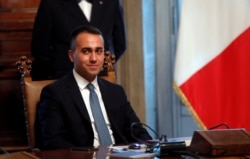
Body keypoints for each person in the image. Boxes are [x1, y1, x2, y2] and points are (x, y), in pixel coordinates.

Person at [37, 25, 152, 150]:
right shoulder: (55, 93)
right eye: (86, 51)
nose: (93, 58)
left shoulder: (116, 92)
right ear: (71, 55)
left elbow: (139, 133)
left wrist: (144, 149)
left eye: (99, 51)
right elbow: (55, 143)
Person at [31, 0, 126, 80]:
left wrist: (99, 65)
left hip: (103, 78)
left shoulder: (112, 2)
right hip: (64, 79)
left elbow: (120, 45)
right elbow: (40, 49)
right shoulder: (51, 3)